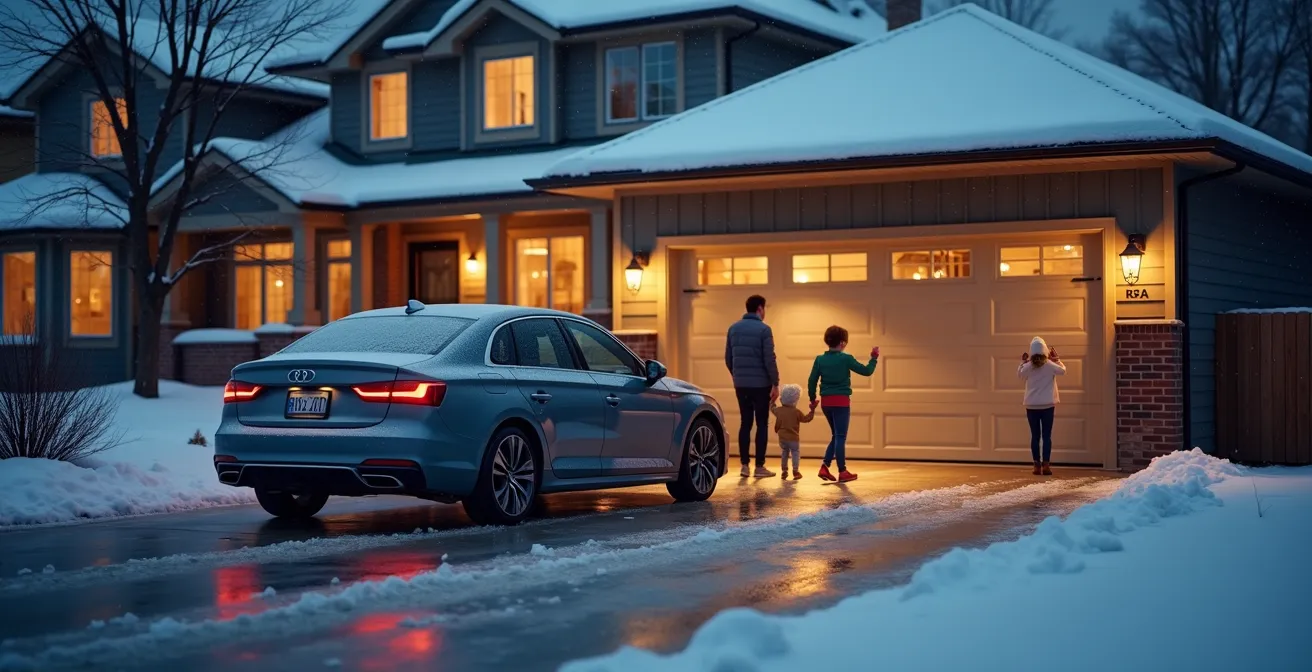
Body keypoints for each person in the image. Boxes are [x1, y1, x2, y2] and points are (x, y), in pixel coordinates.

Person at [807, 325, 878, 483]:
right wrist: (874, 358)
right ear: (843, 343)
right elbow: (867, 371)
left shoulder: (820, 359)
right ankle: (842, 471)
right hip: (841, 402)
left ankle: (825, 466)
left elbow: (812, 380)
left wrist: (812, 398)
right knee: (840, 436)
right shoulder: (846, 358)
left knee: (836, 435)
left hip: (826, 403)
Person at [725, 294, 780, 478]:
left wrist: (737, 375)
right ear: (759, 308)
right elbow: (769, 359)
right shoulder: (764, 330)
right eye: (764, 309)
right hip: (761, 385)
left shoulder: (733, 328)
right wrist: (775, 383)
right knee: (761, 423)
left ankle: (744, 466)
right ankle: (759, 467)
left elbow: (728, 358)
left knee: (745, 422)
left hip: (741, 384)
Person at [1017, 336, 1066, 476]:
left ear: (1031, 351)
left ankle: (1036, 466)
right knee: (1046, 436)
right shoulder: (1050, 365)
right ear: (1045, 350)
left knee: (1035, 436)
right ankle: (1046, 465)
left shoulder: (1028, 367)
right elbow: (1063, 370)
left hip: (1031, 406)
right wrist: (1056, 359)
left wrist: (1022, 362)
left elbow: (1019, 375)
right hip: (1047, 406)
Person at [771, 384, 815, 480]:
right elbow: (806, 419)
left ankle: (784, 471)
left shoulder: (779, 410)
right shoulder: (796, 412)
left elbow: (772, 408)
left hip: (782, 438)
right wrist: (812, 410)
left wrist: (772, 400)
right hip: (794, 438)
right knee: (795, 453)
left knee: (784, 453)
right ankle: (795, 471)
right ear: (796, 400)